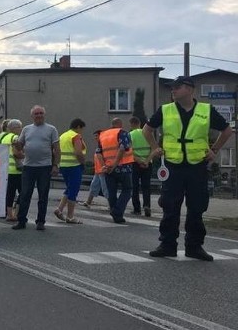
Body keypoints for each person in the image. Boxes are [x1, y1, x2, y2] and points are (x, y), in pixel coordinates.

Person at [143, 76, 232, 261]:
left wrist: (214, 149)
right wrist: (154, 148)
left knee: (197, 207)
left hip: (197, 166)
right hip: (173, 166)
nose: (173, 91)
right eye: (172, 88)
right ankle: (167, 245)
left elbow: (227, 131)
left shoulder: (206, 110)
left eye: (177, 87)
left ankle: (194, 247)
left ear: (190, 89)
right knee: (170, 207)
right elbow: (147, 129)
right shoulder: (166, 110)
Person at [12, 105, 60, 231]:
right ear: (32, 116)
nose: (39, 115)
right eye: (36, 113)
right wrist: (16, 144)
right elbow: (20, 147)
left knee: (43, 195)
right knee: (25, 194)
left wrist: (55, 165)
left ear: (44, 115)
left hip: (45, 167)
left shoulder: (51, 129)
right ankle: (21, 220)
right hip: (28, 167)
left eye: (41, 113)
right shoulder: (26, 129)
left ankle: (40, 222)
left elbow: (57, 149)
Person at [99, 118, 134, 224]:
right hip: (123, 167)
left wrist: (104, 166)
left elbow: (98, 153)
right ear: (120, 124)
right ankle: (117, 212)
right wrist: (114, 165)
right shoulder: (122, 132)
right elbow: (122, 148)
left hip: (108, 169)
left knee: (112, 192)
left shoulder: (103, 135)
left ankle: (116, 215)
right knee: (127, 190)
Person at [54, 118, 87, 224]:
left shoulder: (63, 136)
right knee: (74, 190)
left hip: (63, 165)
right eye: (81, 129)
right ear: (78, 127)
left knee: (69, 188)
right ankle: (70, 216)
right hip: (74, 165)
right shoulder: (75, 136)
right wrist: (83, 163)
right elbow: (78, 152)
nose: (81, 131)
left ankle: (59, 209)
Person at [129, 116, 152, 217]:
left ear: (132, 124)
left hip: (135, 164)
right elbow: (153, 148)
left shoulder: (130, 134)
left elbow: (129, 152)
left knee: (135, 186)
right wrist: (146, 161)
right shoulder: (147, 133)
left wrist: (139, 161)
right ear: (139, 123)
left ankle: (137, 209)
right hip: (148, 163)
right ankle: (147, 205)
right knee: (146, 186)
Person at [79, 130, 109, 208]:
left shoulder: (103, 146)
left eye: (96, 136)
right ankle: (88, 202)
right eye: (95, 136)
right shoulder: (99, 146)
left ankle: (111, 204)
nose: (95, 137)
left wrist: (104, 168)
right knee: (93, 187)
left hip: (102, 171)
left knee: (105, 188)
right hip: (98, 172)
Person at [0, 119, 23, 221]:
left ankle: (9, 214)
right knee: (23, 192)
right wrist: (26, 156)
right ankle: (16, 214)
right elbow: (16, 153)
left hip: (6, 169)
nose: (21, 129)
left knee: (10, 193)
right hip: (16, 170)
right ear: (15, 128)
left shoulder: (4, 138)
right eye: (20, 127)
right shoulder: (15, 137)